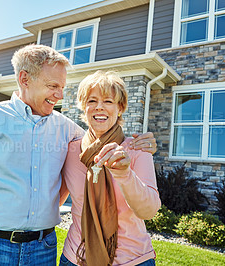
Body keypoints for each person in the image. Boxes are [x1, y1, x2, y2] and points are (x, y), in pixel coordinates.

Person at [0, 44, 156, 266]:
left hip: (41, 251)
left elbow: (100, 136)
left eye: (62, 87)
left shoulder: (67, 130)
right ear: (24, 79)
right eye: (53, 86)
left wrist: (143, 144)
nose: (59, 95)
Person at [59, 70, 161, 266]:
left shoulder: (137, 149)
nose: (99, 107)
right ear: (83, 106)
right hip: (75, 258)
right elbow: (56, 198)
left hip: (132, 259)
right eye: (92, 101)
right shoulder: (71, 150)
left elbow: (148, 211)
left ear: (120, 107)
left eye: (108, 101)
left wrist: (124, 174)